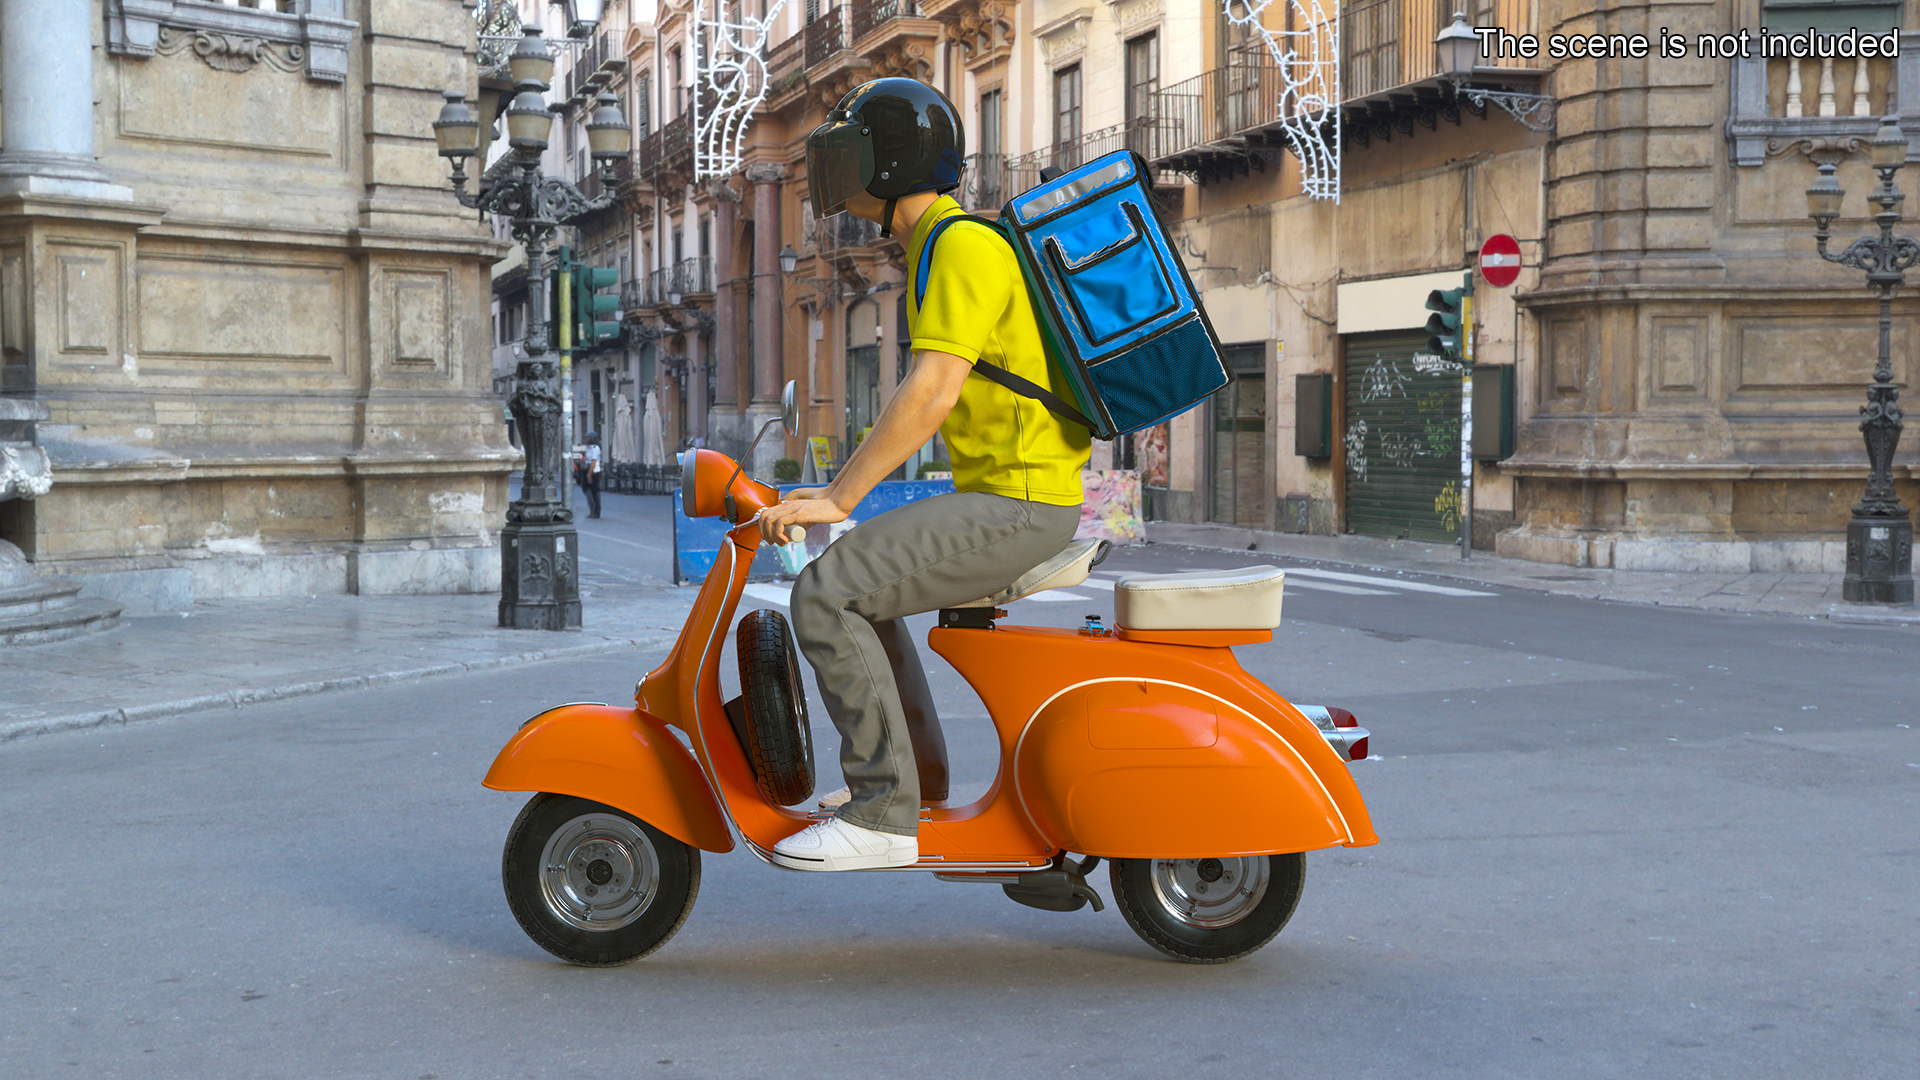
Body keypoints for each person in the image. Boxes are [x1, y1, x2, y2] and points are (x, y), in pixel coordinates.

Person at [756, 77, 1092, 871]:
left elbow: (930, 391)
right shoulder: (938, 247)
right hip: (1003, 497)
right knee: (859, 591)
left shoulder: (964, 245)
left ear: (888, 161)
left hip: (1020, 503)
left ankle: (882, 813)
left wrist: (838, 497)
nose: (835, 170)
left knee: (826, 590)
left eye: (847, 150)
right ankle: (918, 781)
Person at [579, 431, 602, 519]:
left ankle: (596, 511)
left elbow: (593, 461)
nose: (586, 439)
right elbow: (588, 459)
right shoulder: (589, 448)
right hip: (587, 469)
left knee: (595, 491)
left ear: (592, 439)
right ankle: (592, 509)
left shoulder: (595, 448)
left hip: (593, 471)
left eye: (588, 438)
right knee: (586, 488)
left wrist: (589, 473)